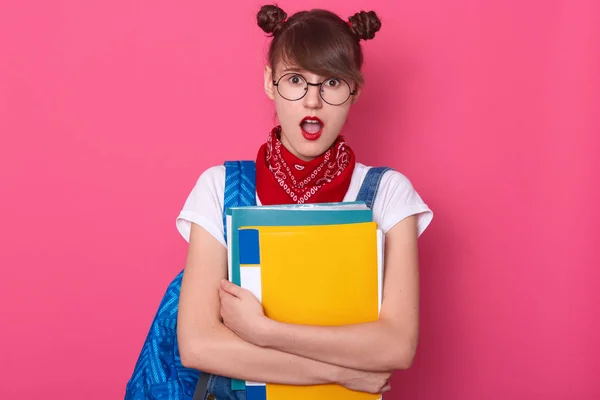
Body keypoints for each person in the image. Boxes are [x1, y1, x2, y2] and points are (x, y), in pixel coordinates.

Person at [175, 4, 433, 398]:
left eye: (331, 82)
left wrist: (263, 330)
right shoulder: (220, 187)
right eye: (296, 80)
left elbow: (397, 346)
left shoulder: (389, 194)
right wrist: (345, 372)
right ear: (269, 82)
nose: (312, 101)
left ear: (355, 90)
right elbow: (197, 345)